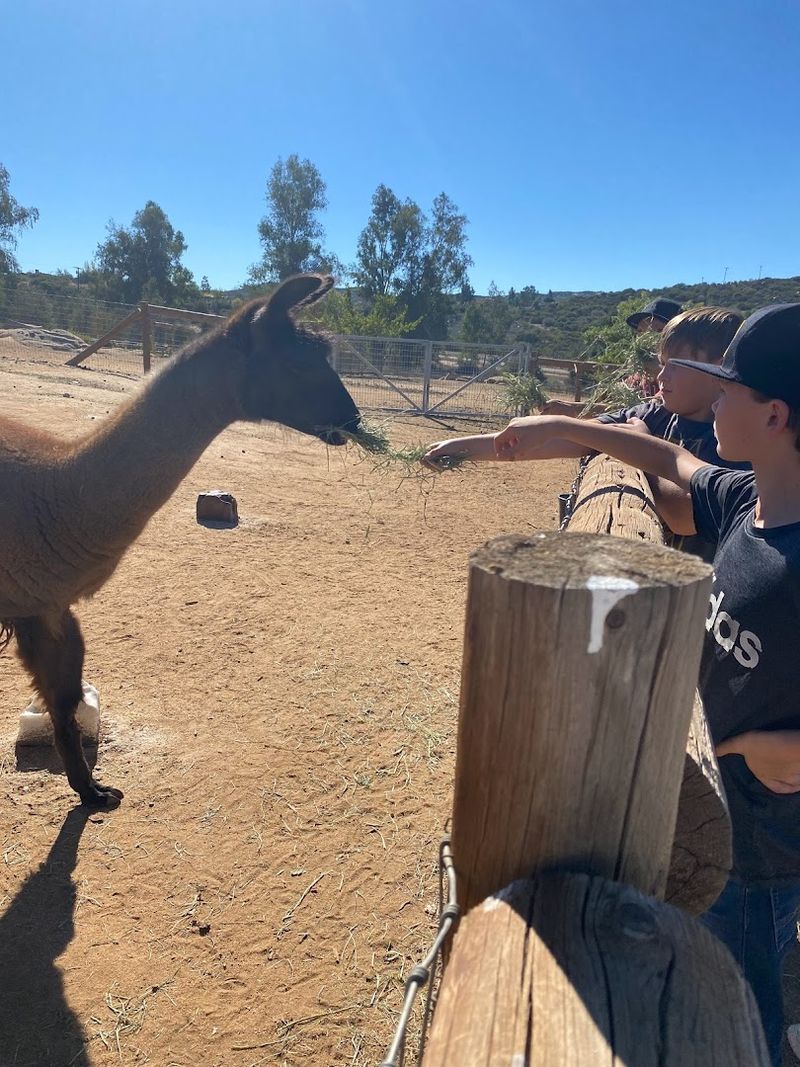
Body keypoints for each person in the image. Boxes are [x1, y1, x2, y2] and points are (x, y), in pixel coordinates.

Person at [489, 303, 800, 1066]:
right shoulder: (745, 502)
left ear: (775, 412)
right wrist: (572, 433)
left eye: (730, 389)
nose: (714, 401)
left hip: (760, 854)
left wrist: (759, 746)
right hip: (708, 819)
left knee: (743, 1003)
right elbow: (664, 460)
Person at [422, 307, 745, 560]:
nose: (662, 376)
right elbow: (571, 439)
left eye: (675, 364)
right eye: (661, 364)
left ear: (720, 367)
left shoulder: (735, 442)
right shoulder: (658, 413)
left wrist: (640, 444)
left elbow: (682, 516)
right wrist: (462, 448)